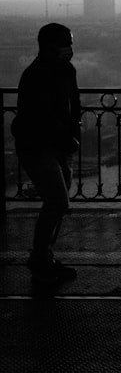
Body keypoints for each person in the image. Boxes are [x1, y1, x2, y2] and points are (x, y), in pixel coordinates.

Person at [12, 23, 81, 284]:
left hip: (58, 145)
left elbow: (74, 107)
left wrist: (71, 134)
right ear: (49, 45)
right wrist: (69, 135)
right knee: (58, 202)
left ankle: (44, 256)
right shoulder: (36, 75)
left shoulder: (62, 70)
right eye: (65, 43)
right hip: (39, 146)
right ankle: (41, 257)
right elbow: (42, 116)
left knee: (57, 204)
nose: (70, 49)